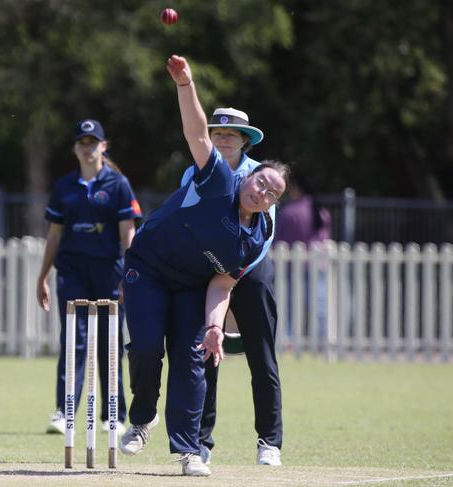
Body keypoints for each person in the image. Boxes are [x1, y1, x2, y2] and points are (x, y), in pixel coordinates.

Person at [118, 54, 288, 477]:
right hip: (150, 268)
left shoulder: (256, 236)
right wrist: (185, 84)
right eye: (261, 182)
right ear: (248, 177)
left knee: (193, 357)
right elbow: (196, 133)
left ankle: (190, 450)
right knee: (144, 347)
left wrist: (216, 326)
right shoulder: (218, 180)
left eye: (272, 192)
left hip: (193, 284)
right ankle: (142, 418)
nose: (263, 191)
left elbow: (221, 284)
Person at [180, 108, 284, 466]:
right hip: (208, 269)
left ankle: (269, 441)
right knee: (206, 353)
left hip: (251, 269)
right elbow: (186, 219)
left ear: (244, 140)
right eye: (218, 133)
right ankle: (201, 443)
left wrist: (235, 272)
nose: (223, 138)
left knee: (262, 356)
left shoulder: (260, 176)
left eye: (231, 134)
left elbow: (266, 234)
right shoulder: (194, 170)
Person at [36, 118, 143, 436]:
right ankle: (63, 411)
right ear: (75, 148)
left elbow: (129, 233)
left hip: (110, 271)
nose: (87, 148)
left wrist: (131, 274)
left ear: (103, 146)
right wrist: (42, 276)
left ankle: (114, 414)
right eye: (82, 143)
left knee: (110, 343)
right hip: (72, 272)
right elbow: (54, 236)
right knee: (73, 341)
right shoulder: (64, 186)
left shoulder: (118, 185)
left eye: (93, 142)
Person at [274, 175, 332, 340]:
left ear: (297, 189)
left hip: (293, 267)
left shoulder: (290, 212)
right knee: (319, 306)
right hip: (318, 264)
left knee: (290, 306)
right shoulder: (321, 211)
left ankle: (289, 339)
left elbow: (280, 240)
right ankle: (323, 339)